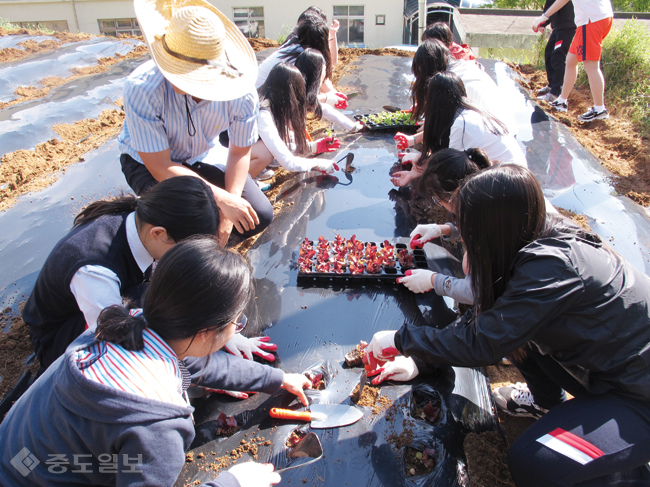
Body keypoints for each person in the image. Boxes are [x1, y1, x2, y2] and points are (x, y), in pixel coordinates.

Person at [364, 164, 650, 486]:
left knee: (536, 461)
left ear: (493, 228)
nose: (463, 237)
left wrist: (401, 339)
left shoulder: (550, 269)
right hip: (612, 372)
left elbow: (483, 342)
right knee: (521, 342)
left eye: (469, 230)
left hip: (638, 393)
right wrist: (419, 359)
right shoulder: (531, 237)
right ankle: (549, 406)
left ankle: (629, 473)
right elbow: (491, 323)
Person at [1, 237, 311, 487]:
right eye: (236, 322)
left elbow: (198, 363)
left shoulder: (119, 328)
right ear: (205, 332)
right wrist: (233, 482)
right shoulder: (157, 424)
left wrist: (276, 378)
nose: (238, 326)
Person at [118, 0, 273, 245]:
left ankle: (210, 249)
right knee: (189, 225)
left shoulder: (241, 92)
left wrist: (229, 209)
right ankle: (173, 251)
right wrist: (220, 200)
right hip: (150, 164)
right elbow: (160, 165)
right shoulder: (143, 88)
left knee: (257, 215)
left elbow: (240, 152)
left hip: (202, 154)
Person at [23, 177, 218, 369]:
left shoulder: (142, 220)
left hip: (113, 301)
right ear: (159, 233)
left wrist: (220, 324)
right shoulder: (95, 270)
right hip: (61, 340)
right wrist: (201, 358)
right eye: (181, 249)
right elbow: (116, 340)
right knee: (163, 318)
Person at [392, 72, 525, 187]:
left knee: (438, 187)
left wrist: (420, 163)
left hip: (510, 182)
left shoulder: (463, 124)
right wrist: (418, 167)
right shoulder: (467, 111)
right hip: (514, 175)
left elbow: (449, 170)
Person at [396, 148, 492, 305]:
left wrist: (434, 280)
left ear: (454, 195)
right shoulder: (482, 198)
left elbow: (477, 291)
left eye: (437, 198)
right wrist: (442, 229)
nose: (438, 203)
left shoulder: (488, 224)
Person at [401, 40, 516, 137]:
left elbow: (444, 126)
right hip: (508, 131)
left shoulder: (450, 82)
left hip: (495, 135)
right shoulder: (463, 65)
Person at [249, 62, 342, 177]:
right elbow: (288, 163)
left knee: (276, 142)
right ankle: (243, 182)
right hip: (226, 159)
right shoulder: (263, 114)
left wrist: (311, 147)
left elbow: (284, 142)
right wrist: (317, 163)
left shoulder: (273, 105)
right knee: (265, 153)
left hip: (239, 153)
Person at [534, 0, 613, 122]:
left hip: (591, 20)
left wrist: (544, 16)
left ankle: (599, 109)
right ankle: (561, 101)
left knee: (591, 66)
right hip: (595, 17)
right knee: (571, 60)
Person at [255, 16, 347, 109]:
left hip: (257, 97)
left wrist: (332, 95)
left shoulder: (295, 47)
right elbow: (305, 100)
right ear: (321, 42)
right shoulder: (304, 58)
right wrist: (329, 97)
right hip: (261, 104)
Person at [533, 0, 576, 103]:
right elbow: (551, 4)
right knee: (549, 53)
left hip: (568, 27)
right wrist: (544, 22)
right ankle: (552, 85)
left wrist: (543, 20)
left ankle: (556, 92)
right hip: (558, 27)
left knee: (558, 56)